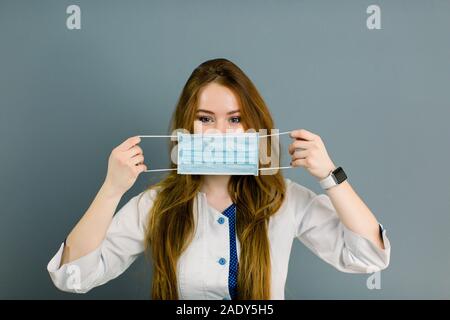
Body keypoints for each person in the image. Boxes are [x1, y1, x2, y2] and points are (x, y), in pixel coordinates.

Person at [47, 58, 390, 300]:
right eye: (206, 119)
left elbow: (369, 258)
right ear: (187, 127)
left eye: (235, 119)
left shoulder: (285, 199)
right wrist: (111, 189)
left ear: (253, 127)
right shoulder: (155, 205)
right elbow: (72, 276)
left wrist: (331, 177)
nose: (221, 133)